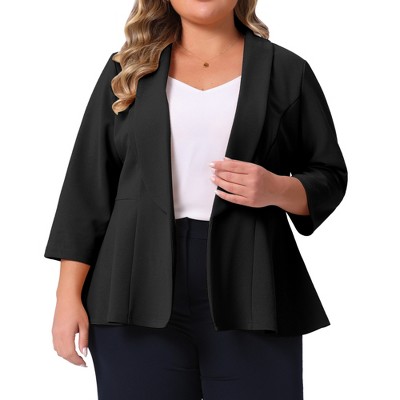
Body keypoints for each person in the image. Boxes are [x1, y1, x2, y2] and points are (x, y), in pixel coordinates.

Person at [44, 0, 347, 399]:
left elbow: (329, 175)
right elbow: (87, 189)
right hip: (132, 286)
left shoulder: (287, 71)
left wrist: (275, 189)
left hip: (254, 286)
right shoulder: (127, 70)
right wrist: (67, 297)